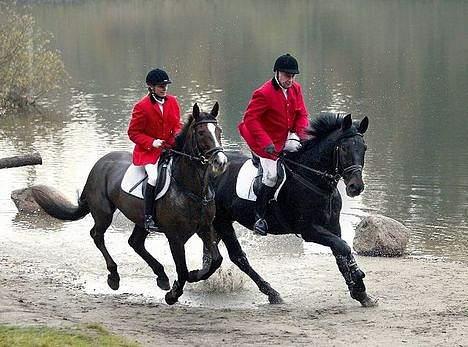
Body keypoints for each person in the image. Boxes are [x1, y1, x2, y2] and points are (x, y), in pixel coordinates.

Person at [238, 53, 309, 236]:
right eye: (287, 75)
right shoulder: (263, 93)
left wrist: (302, 135)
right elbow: (250, 120)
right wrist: (266, 142)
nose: (290, 80)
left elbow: (302, 114)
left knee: (302, 157)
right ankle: (260, 217)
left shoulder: (296, 89)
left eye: (293, 76)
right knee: (271, 176)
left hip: (283, 136)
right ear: (277, 73)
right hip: (263, 141)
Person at [128, 68, 181, 232]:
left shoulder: (172, 101)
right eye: (160, 86)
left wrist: (178, 137)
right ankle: (149, 216)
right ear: (151, 87)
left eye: (166, 85)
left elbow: (177, 125)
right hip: (148, 152)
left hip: (169, 149)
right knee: (154, 177)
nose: (164, 88)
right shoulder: (141, 106)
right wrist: (152, 142)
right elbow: (133, 133)